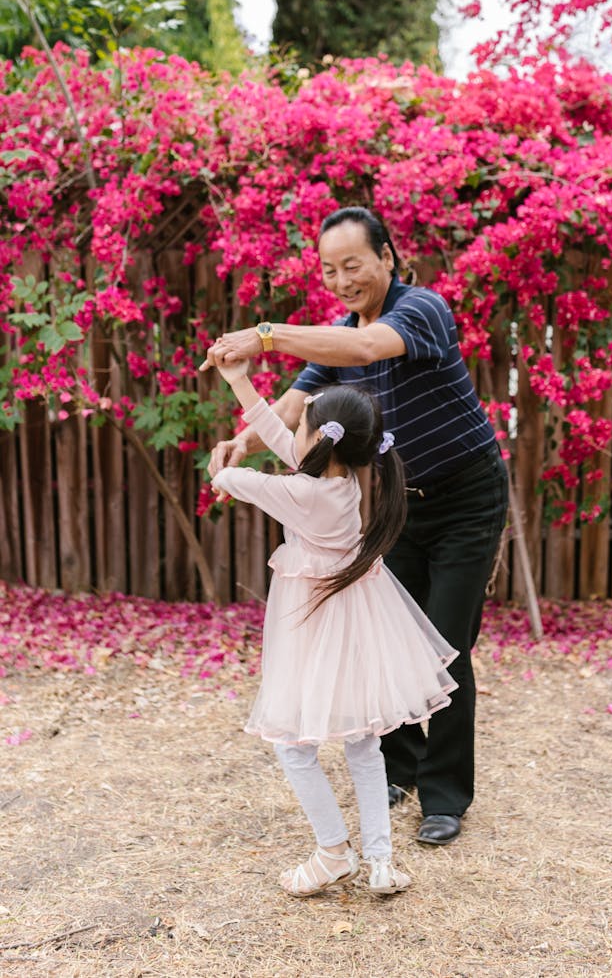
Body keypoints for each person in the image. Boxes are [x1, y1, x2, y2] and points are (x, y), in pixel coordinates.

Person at [204, 205, 508, 846]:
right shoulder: (339, 335)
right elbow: (292, 406)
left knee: (444, 645)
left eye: (353, 265)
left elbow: (366, 347)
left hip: (465, 499)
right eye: (329, 270)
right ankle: (396, 771)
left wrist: (263, 333)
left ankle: (445, 794)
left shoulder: (421, 311)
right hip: (392, 508)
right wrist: (239, 443)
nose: (342, 280)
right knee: (382, 639)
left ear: (387, 257)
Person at [209, 357, 458, 897]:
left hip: (316, 628)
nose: (292, 433)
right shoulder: (342, 482)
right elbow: (285, 441)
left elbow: (231, 478)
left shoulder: (304, 494)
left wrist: (223, 462)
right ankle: (381, 861)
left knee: (294, 745)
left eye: (301, 426)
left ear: (321, 438)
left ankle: (331, 852)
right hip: (355, 621)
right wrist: (239, 382)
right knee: (363, 745)